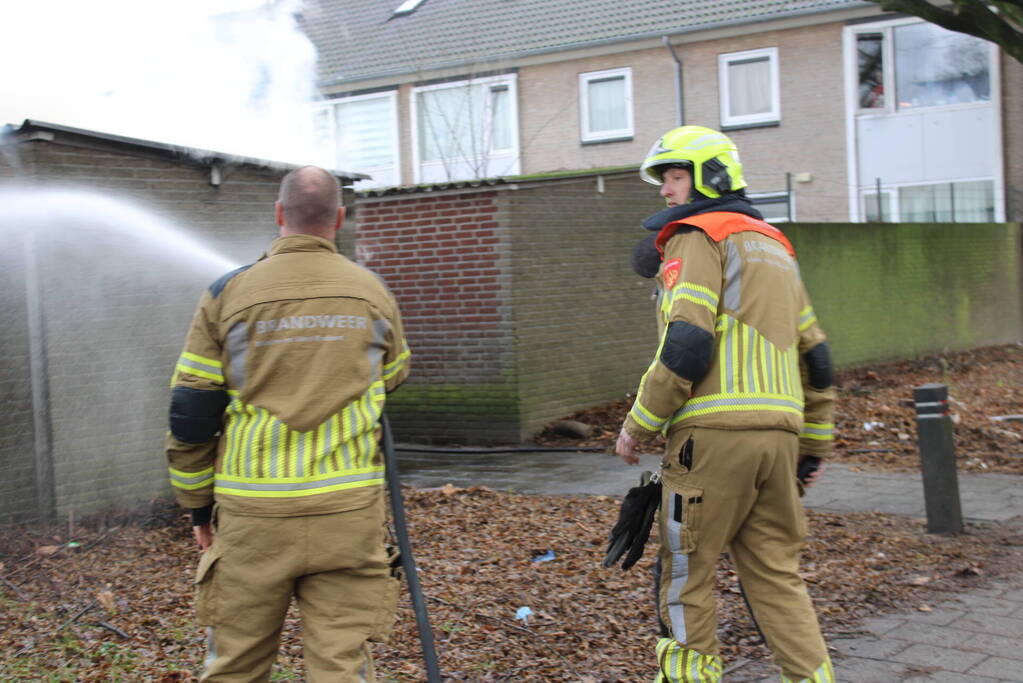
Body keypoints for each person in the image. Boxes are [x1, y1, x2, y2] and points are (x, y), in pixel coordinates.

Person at [165, 165, 411, 682]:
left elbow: (191, 413)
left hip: (253, 519)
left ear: (279, 213)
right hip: (347, 516)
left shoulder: (226, 294)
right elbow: (393, 375)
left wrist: (196, 508)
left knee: (234, 665)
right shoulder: (372, 292)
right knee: (340, 667)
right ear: (339, 218)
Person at [615, 126, 836, 682]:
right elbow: (819, 358)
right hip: (779, 443)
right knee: (777, 577)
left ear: (708, 176)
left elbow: (687, 343)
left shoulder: (696, 235)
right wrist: (812, 445)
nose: (665, 191)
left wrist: (638, 424)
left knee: (685, 575)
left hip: (711, 441)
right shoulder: (776, 245)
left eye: (673, 175)